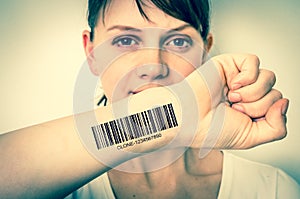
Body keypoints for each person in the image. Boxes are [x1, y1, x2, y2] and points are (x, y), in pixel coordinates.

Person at [0, 0, 299, 198]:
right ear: (91, 54)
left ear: (206, 51)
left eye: (178, 41)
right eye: (125, 40)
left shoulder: (272, 190)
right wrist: (168, 117)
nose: (153, 65)